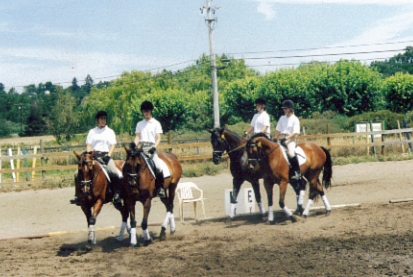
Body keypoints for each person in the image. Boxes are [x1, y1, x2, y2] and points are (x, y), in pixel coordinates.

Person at [70, 110, 123, 205]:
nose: (103, 121)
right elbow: (89, 145)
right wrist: (88, 155)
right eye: (101, 119)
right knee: (76, 173)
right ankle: (78, 195)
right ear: (97, 120)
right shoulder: (92, 132)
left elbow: (112, 145)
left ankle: (117, 194)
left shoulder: (110, 132)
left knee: (116, 172)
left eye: (104, 119)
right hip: (93, 156)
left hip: (105, 156)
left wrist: (109, 156)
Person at [134, 100, 166, 198]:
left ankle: (160, 188)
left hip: (151, 147)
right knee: (132, 165)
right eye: (144, 111)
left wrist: (154, 147)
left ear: (151, 111)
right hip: (141, 148)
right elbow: (138, 137)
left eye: (147, 111)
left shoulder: (156, 123)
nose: (146, 113)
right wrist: (134, 145)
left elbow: (158, 138)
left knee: (159, 166)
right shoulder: (140, 124)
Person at [275, 99, 301, 181]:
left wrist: (286, 138)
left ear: (290, 109)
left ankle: (297, 171)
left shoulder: (295, 119)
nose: (284, 110)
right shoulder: (282, 118)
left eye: (285, 109)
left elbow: (295, 132)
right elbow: (278, 129)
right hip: (282, 138)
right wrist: (276, 137)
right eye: (283, 109)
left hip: (290, 139)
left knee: (291, 153)